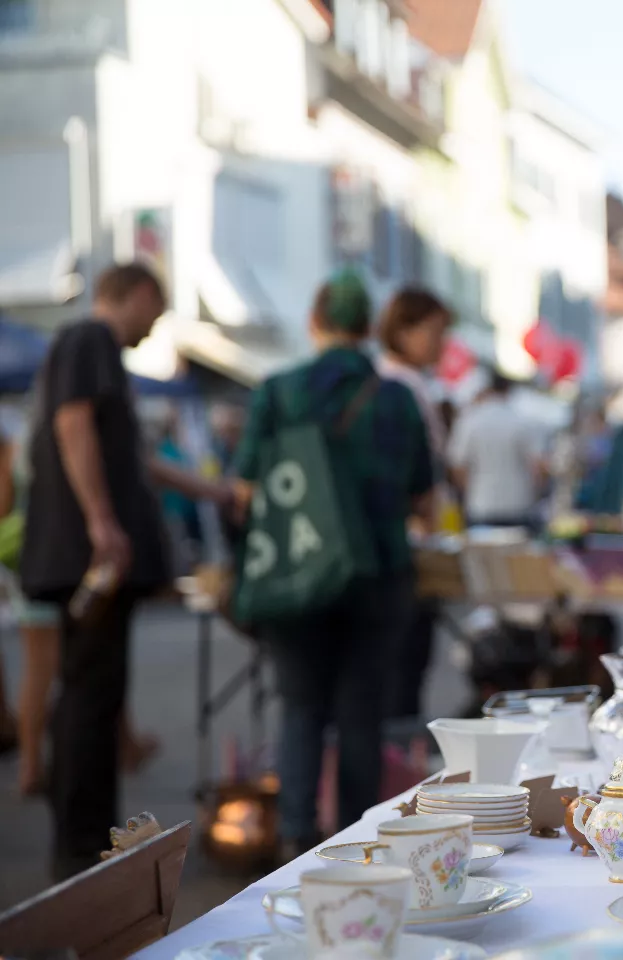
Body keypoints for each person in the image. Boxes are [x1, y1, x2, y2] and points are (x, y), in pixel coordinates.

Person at [21, 263, 235, 877]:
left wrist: (209, 492)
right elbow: (73, 422)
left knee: (92, 690)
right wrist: (101, 522)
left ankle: (85, 843)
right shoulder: (89, 339)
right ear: (140, 294)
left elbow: (134, 457)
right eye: (157, 311)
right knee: (90, 694)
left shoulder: (90, 350)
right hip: (88, 555)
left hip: (86, 553)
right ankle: (83, 849)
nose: (154, 326)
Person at [233, 271, 434, 856]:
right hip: (379, 575)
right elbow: (424, 501)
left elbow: (244, 490)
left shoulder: (276, 392)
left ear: (314, 322)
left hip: (296, 575)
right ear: (368, 329)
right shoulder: (395, 398)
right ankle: (357, 842)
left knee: (299, 707)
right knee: (360, 716)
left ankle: (296, 841)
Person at [375, 287, 452, 721]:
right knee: (402, 675)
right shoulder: (398, 387)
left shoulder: (408, 383)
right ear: (404, 331)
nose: (441, 344)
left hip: (406, 542)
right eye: (434, 332)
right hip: (405, 547)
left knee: (402, 675)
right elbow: (416, 480)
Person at [447, 373, 544, 528]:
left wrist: (470, 491)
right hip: (518, 504)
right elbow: (537, 467)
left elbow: (457, 465)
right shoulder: (522, 421)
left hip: (481, 504)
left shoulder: (470, 421)